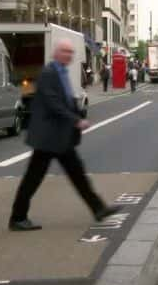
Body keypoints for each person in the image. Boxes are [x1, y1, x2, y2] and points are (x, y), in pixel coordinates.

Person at [9, 39, 121, 231]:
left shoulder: (61, 71)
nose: (69, 55)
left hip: (59, 137)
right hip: (47, 137)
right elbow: (54, 103)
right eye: (65, 52)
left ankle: (98, 208)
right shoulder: (49, 73)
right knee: (33, 179)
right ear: (56, 53)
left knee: (77, 174)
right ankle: (17, 218)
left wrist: (75, 116)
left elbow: (67, 100)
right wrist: (76, 120)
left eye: (71, 52)